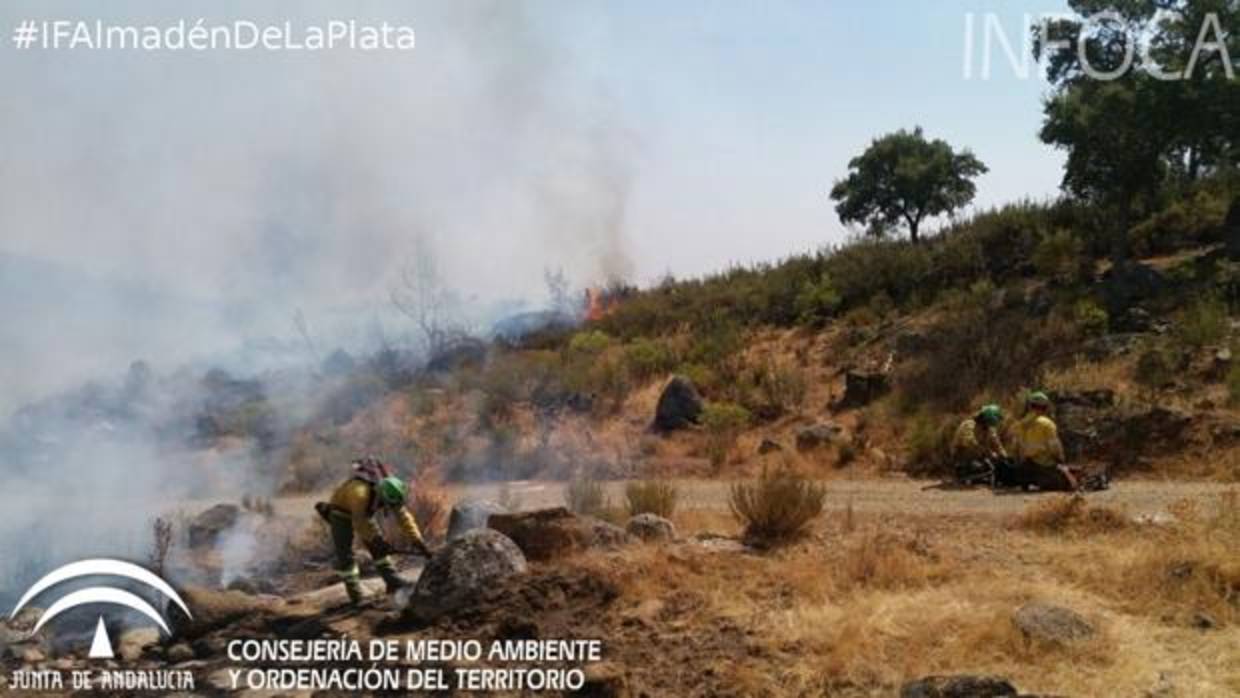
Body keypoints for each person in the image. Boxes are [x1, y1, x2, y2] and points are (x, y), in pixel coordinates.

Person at [315, 456, 433, 605]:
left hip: (364, 514)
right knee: (346, 554)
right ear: (381, 496)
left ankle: (393, 581)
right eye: (388, 505)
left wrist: (418, 542)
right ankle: (356, 597)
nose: (391, 508)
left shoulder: (390, 491)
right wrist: (378, 541)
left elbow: (404, 518)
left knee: (379, 551)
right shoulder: (360, 494)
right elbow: (360, 523)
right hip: (341, 513)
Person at [1004, 392, 1077, 491]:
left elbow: (1015, 448)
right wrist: (1061, 460)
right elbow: (1054, 448)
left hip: (1024, 469)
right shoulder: (1047, 424)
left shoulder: (1020, 424)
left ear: (1030, 406)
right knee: (1071, 481)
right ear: (1045, 407)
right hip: (1044, 468)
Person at [950, 404, 1007, 486]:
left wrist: (1004, 456)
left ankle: (979, 472)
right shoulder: (968, 425)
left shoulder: (988, 428)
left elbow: (997, 443)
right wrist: (989, 453)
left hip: (978, 455)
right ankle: (964, 471)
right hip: (962, 456)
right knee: (977, 465)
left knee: (991, 463)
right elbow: (970, 443)